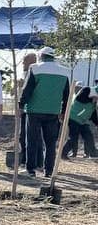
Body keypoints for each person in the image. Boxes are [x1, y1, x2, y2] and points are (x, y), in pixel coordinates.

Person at [19, 46, 70, 178]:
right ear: (53, 57)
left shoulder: (35, 68)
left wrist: (20, 104)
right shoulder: (64, 71)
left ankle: (30, 170)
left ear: (41, 56)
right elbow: (67, 94)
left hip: (34, 110)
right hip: (53, 111)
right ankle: (49, 171)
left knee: (31, 140)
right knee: (50, 143)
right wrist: (64, 111)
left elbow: (27, 89)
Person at [17, 51, 42, 169]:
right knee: (24, 136)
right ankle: (27, 160)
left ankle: (33, 162)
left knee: (31, 137)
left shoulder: (34, 72)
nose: (22, 63)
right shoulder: (24, 74)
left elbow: (29, 92)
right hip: (25, 108)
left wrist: (22, 105)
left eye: (25, 61)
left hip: (30, 109)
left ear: (32, 61)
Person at [61, 83, 98, 159]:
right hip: (73, 117)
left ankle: (93, 154)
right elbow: (79, 98)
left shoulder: (94, 101)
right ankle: (63, 154)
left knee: (89, 137)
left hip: (82, 121)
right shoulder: (87, 89)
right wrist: (91, 99)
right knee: (73, 138)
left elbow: (93, 114)